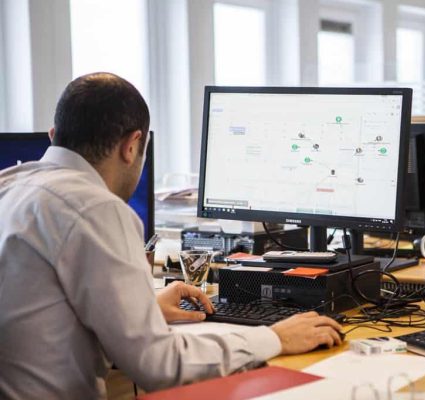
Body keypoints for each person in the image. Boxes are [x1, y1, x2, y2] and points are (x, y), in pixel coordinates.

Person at [0, 73, 342, 400]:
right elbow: (159, 365)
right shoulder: (95, 208)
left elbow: (43, 318)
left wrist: (142, 309)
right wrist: (273, 338)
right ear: (132, 145)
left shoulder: (9, 186)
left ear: (53, 135)